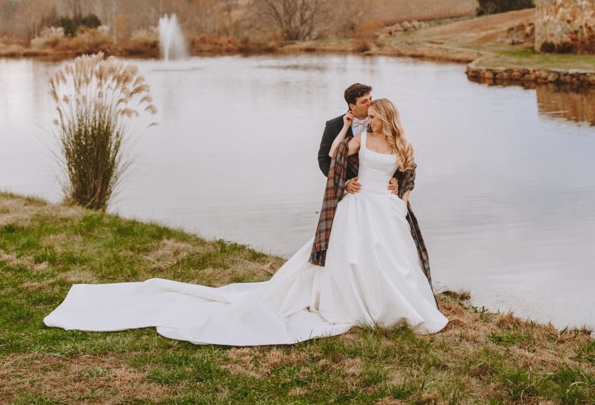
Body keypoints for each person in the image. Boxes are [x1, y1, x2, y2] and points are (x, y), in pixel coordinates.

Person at [43, 98, 447, 346]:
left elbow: (409, 172)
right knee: (357, 257)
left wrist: (401, 195)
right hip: (359, 205)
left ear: (387, 118)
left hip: (386, 208)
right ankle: (357, 305)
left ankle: (396, 308)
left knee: (392, 260)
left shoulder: (399, 143)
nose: (369, 118)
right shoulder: (358, 138)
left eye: (374, 115)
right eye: (368, 114)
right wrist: (344, 146)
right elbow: (338, 157)